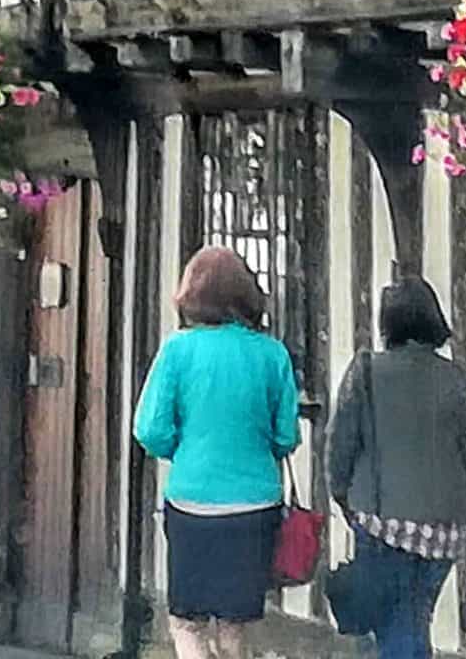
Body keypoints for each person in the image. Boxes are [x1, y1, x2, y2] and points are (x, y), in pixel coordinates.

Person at [132, 247, 301, 659]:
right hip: (254, 505)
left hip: (192, 502)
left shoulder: (177, 351)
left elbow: (149, 429)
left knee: (186, 622)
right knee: (235, 626)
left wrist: (185, 450)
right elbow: (286, 435)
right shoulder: (272, 354)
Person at [326, 278, 466, 659]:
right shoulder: (455, 379)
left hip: (381, 522)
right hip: (446, 532)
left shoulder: (365, 372)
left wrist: (345, 500)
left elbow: (339, 450)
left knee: (399, 625)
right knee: (412, 617)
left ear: (388, 325)